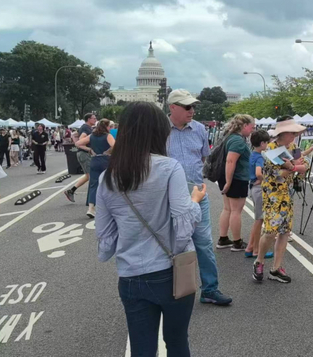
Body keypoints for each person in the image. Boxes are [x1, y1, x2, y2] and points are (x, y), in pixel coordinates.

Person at [95, 101, 206, 357]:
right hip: (171, 271)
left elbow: (105, 236)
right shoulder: (168, 167)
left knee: (142, 348)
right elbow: (183, 221)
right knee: (177, 341)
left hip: (131, 273)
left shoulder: (108, 177)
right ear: (158, 132)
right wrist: (195, 202)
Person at [166, 89, 232, 306]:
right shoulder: (160, 131)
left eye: (193, 106)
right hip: (169, 197)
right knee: (169, 244)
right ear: (172, 107)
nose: (192, 111)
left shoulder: (200, 129)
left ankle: (210, 289)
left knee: (203, 243)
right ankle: (168, 290)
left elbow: (204, 158)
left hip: (197, 193)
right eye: (187, 107)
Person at [253, 117, 309, 284]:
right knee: (270, 230)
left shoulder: (293, 147)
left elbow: (305, 167)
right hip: (272, 194)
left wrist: (291, 167)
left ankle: (276, 267)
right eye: (292, 132)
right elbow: (277, 174)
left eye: (295, 132)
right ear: (283, 133)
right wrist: (293, 167)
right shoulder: (270, 149)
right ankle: (259, 261)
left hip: (286, 193)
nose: (294, 135)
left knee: (284, 231)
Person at [216, 114, 255, 252]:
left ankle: (223, 238)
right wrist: (228, 182)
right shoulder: (238, 141)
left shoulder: (229, 136)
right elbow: (231, 160)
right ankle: (237, 242)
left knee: (227, 209)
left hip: (228, 177)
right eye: (252, 127)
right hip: (236, 178)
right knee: (236, 211)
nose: (252, 130)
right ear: (244, 125)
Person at [75, 119, 115, 219]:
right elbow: (115, 145)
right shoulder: (107, 136)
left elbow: (78, 143)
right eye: (109, 126)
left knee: (93, 185)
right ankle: (109, 207)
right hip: (106, 161)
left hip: (94, 160)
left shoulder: (92, 136)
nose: (110, 128)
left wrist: (89, 149)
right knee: (109, 183)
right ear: (106, 126)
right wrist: (108, 151)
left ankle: (91, 208)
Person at [244, 130, 272, 259]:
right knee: (259, 219)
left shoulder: (252, 154)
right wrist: (264, 179)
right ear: (262, 143)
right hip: (259, 188)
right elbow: (259, 172)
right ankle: (256, 249)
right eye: (267, 142)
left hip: (253, 187)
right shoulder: (260, 157)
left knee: (258, 219)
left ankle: (251, 247)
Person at [64, 113, 96, 203]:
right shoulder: (86, 128)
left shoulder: (86, 127)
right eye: (94, 118)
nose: (95, 120)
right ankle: (92, 200)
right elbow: (81, 141)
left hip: (84, 154)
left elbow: (74, 134)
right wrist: (89, 149)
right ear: (88, 119)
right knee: (92, 177)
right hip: (84, 154)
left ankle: (71, 191)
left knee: (88, 176)